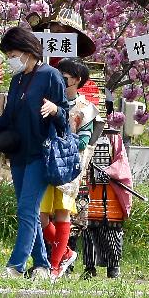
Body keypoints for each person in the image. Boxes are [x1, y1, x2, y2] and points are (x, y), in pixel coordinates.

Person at [0, 26, 69, 278]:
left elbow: (65, 122)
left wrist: (55, 110)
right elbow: (6, 120)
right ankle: (43, 266)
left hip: (42, 154)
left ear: (27, 50)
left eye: (12, 53)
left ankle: (16, 266)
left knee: (26, 210)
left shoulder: (51, 76)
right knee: (29, 212)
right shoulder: (17, 80)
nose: (10, 59)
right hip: (19, 154)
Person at [39, 57, 96, 279]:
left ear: (77, 80)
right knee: (41, 215)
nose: (60, 82)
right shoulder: (49, 101)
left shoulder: (85, 108)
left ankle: (55, 264)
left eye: (65, 78)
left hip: (70, 166)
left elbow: (85, 140)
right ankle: (65, 252)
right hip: (47, 161)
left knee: (63, 213)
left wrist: (68, 131)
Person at [81, 105, 136, 279]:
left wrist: (110, 171)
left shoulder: (115, 137)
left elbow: (121, 162)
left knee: (112, 230)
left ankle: (113, 266)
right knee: (89, 229)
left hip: (111, 192)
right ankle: (90, 267)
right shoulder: (86, 133)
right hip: (91, 189)